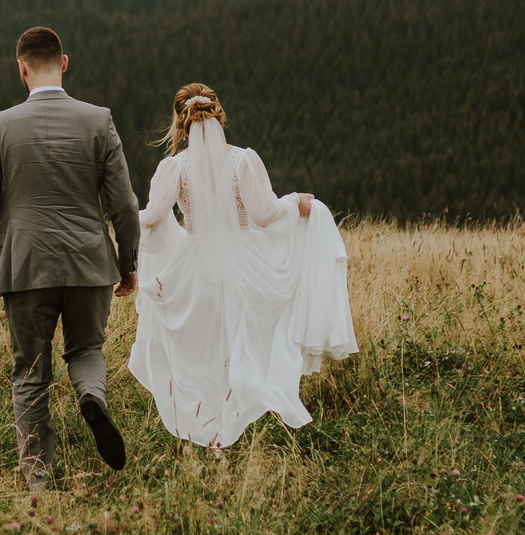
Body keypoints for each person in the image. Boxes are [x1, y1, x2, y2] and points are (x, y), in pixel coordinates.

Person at [127, 83, 357, 447]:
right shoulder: (243, 159)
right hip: (246, 263)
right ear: (220, 116)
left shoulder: (173, 167)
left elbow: (154, 217)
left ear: (181, 123)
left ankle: (211, 428)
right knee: (247, 341)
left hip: (194, 265)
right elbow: (264, 215)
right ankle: (250, 409)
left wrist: (121, 218)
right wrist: (294, 202)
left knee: (204, 348)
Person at [0, 26, 140, 490]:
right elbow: (123, 203)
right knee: (86, 349)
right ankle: (92, 397)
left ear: (21, 69)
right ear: (64, 63)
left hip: (24, 267)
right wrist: (128, 264)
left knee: (30, 371)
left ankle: (39, 480)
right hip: (89, 262)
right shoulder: (99, 120)